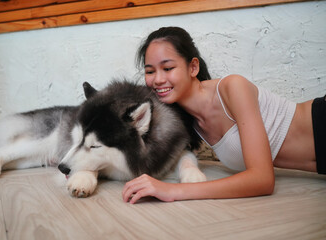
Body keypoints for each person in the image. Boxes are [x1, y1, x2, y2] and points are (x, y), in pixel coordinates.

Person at [122, 26, 325, 204]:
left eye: (168, 68)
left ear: (193, 67)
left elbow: (262, 180)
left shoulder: (232, 88)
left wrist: (172, 190)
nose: (157, 79)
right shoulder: (187, 124)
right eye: (150, 71)